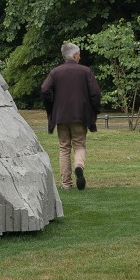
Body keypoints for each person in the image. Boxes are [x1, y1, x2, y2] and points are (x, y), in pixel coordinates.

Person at [40, 42, 101, 191]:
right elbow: (95, 93)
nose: (79, 57)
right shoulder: (85, 71)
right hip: (80, 115)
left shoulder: (55, 72)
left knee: (64, 148)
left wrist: (52, 106)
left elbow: (44, 89)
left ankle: (66, 184)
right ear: (74, 55)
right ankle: (79, 166)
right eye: (79, 55)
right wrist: (95, 110)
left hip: (61, 116)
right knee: (79, 145)